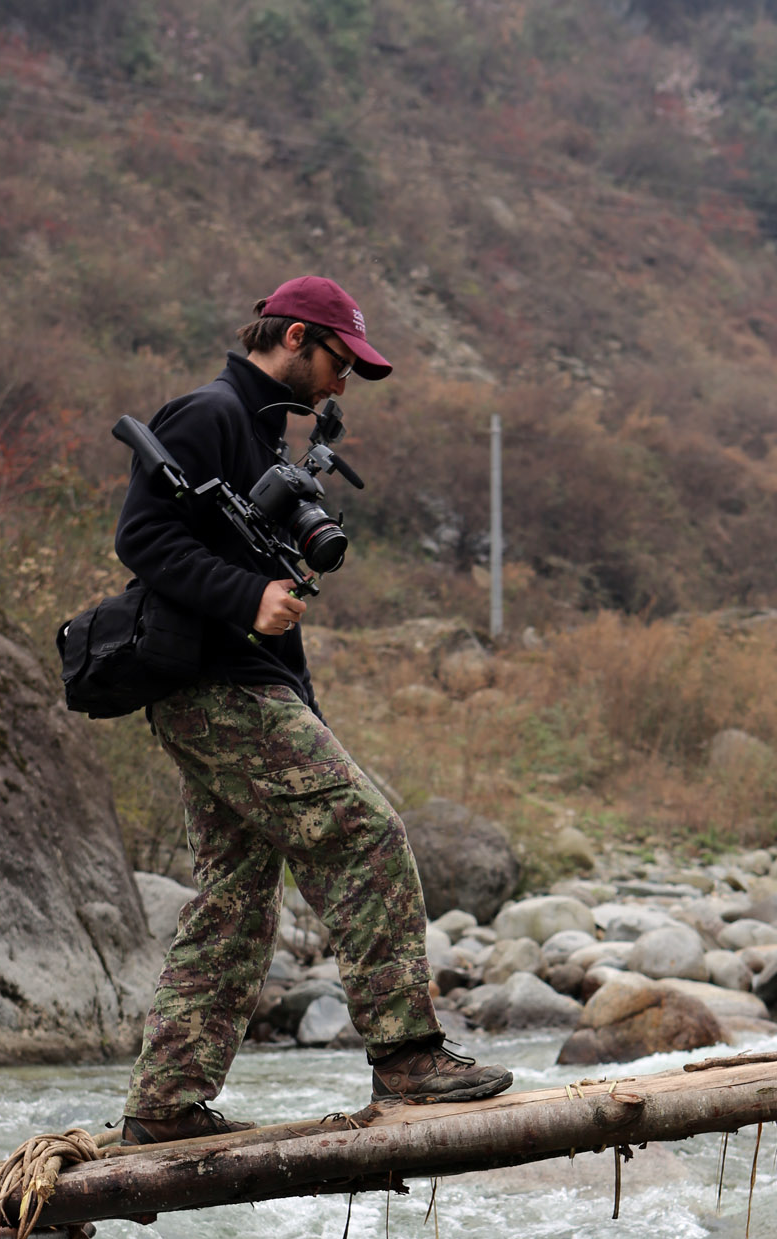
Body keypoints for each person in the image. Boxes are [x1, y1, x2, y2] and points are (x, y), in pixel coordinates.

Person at [114, 274, 513, 1144]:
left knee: (236, 899)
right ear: (294, 337)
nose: (343, 384)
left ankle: (165, 1107)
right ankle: (407, 1055)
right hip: (217, 684)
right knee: (366, 830)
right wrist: (247, 595)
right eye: (340, 362)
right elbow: (140, 538)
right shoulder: (210, 414)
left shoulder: (262, 435)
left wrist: (294, 678)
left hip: (241, 686)